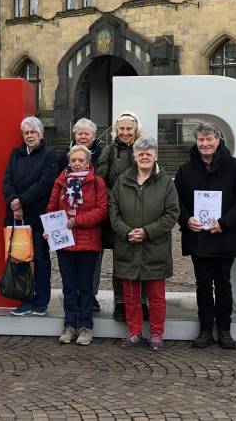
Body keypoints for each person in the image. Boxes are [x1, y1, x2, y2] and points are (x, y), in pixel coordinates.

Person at [175, 122, 236, 350]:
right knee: (202, 284)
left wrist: (226, 222)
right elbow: (175, 201)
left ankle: (225, 330)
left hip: (223, 237)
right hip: (198, 237)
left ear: (218, 140)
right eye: (201, 140)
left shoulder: (235, 167)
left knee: (223, 284)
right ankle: (205, 329)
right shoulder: (185, 170)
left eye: (210, 139)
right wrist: (186, 218)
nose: (205, 144)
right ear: (196, 142)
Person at [109, 136, 179, 351]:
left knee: (156, 297)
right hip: (128, 247)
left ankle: (157, 333)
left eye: (149, 153)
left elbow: (171, 214)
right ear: (134, 156)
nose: (145, 156)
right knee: (131, 296)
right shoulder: (122, 181)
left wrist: (147, 232)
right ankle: (134, 332)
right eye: (140, 153)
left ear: (156, 155)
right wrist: (127, 231)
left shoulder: (166, 182)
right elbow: (113, 211)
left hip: (154, 249)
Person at [45, 144, 108, 346]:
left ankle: (86, 326)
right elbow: (51, 208)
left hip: (88, 243)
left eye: (81, 160)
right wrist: (49, 227)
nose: (77, 163)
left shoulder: (97, 182)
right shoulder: (61, 182)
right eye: (73, 160)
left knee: (86, 288)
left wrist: (78, 220)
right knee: (69, 287)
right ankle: (69, 324)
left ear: (88, 162)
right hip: (65, 243)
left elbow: (102, 210)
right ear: (69, 162)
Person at [2, 116, 58, 317]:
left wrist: (21, 201)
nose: (29, 136)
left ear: (40, 134)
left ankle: (41, 301)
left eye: (33, 132)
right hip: (16, 217)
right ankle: (25, 299)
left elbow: (45, 184)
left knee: (41, 260)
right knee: (20, 259)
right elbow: (7, 179)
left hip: (38, 216)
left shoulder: (49, 156)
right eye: (26, 133)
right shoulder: (16, 154)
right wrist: (12, 200)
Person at [96, 112, 148, 322]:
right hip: (116, 215)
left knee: (141, 260)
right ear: (117, 131)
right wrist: (116, 201)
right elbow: (100, 180)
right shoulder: (109, 151)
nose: (125, 132)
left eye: (129, 129)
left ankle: (141, 302)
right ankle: (120, 302)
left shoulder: (143, 149)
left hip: (142, 213)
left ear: (136, 130)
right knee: (121, 261)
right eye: (122, 129)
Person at [56, 118, 103, 312]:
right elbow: (56, 190)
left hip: (91, 218)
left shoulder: (102, 154)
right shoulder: (63, 158)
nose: (83, 136)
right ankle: (73, 299)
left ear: (93, 136)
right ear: (74, 135)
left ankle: (90, 296)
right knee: (68, 266)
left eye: (87, 133)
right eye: (79, 133)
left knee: (92, 263)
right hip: (66, 221)